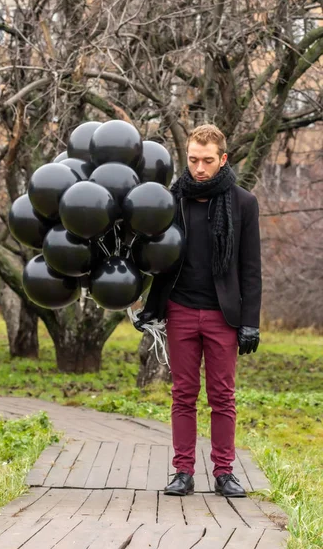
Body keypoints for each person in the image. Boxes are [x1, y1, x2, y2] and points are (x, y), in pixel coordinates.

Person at [135, 124, 261, 498]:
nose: (199, 168)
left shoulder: (244, 203)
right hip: (182, 310)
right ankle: (183, 472)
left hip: (224, 315)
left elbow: (251, 269)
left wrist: (250, 322)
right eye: (192, 160)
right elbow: (156, 261)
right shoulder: (171, 202)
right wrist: (150, 306)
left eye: (207, 161)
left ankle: (224, 472)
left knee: (222, 396)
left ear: (223, 159)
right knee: (183, 394)